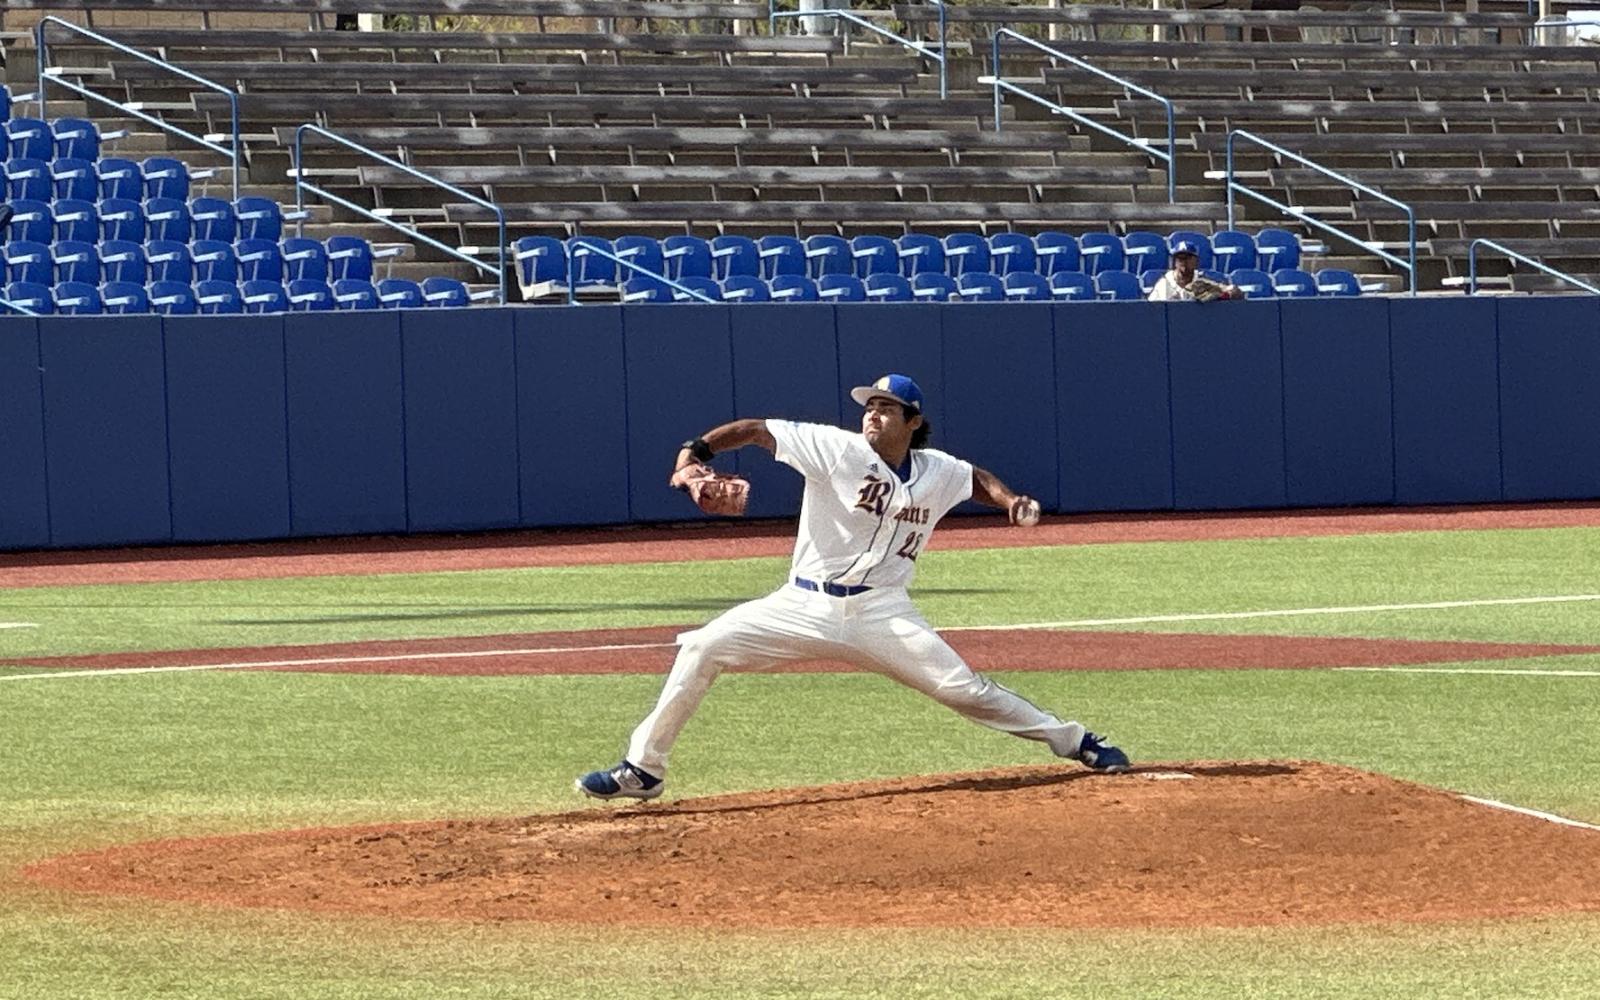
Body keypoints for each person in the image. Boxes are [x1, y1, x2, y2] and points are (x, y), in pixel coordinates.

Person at [576, 373, 1131, 801]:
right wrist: (695, 454)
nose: (872, 414)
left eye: (885, 407)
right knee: (701, 647)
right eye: (869, 406)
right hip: (801, 604)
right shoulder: (835, 448)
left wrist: (1009, 500)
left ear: (912, 421)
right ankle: (644, 769)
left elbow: (975, 479)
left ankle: (1075, 740)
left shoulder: (935, 469)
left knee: (964, 690)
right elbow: (754, 431)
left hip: (882, 614)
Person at [1147, 239, 1243, 302]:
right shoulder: (1164, 283)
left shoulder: (1201, 281)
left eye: (1188, 258)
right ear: (1175, 262)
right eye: (1180, 258)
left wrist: (1226, 294)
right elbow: (1151, 311)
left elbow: (1235, 292)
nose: (1184, 262)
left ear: (1196, 261)